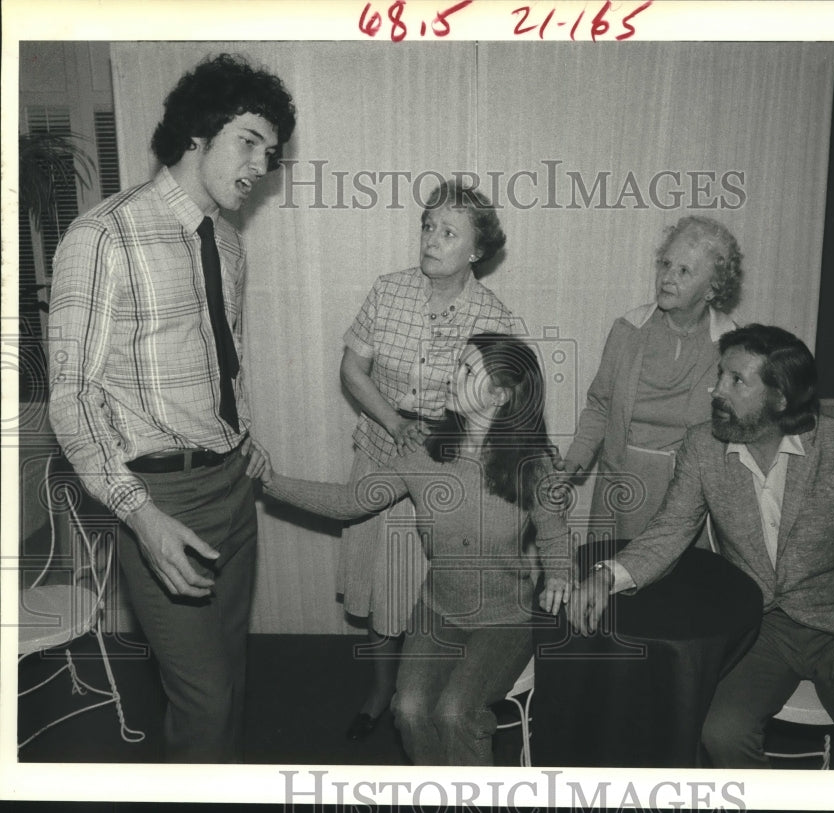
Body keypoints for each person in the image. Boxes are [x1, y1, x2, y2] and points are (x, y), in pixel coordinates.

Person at [568, 324, 834, 769]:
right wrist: (608, 576)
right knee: (719, 733)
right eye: (720, 374)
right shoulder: (702, 447)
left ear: (780, 397)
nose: (716, 390)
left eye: (736, 380)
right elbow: (669, 530)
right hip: (759, 627)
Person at [47, 54, 296, 762]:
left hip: (231, 487)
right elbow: (72, 396)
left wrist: (247, 436)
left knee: (231, 675)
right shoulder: (104, 236)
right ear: (198, 132)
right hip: (158, 498)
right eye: (248, 140)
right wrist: (141, 516)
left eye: (270, 153)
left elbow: (227, 356)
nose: (259, 164)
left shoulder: (227, 241)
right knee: (204, 695)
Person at [264, 334, 572, 764]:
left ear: (500, 396)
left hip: (505, 619)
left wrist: (559, 572)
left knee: (454, 712)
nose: (451, 376)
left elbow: (555, 534)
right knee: (407, 710)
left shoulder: (533, 465)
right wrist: (271, 481)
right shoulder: (427, 452)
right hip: (439, 609)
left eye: (466, 371)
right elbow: (350, 501)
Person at [338, 180, 518, 739]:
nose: (432, 240)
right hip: (377, 458)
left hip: (442, 482)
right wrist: (394, 424)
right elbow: (351, 370)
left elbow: (497, 415)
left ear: (477, 251)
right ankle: (376, 692)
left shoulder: (496, 320)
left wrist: (434, 443)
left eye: (448, 232)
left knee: (423, 590)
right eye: (427, 226)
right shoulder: (388, 291)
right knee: (375, 588)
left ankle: (419, 695)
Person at [560, 216, 742, 540]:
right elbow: (600, 407)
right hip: (621, 487)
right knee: (611, 581)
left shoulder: (731, 345)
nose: (667, 277)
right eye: (665, 264)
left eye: (684, 271)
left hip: (688, 495)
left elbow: (738, 431)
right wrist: (572, 463)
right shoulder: (628, 330)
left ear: (713, 288)